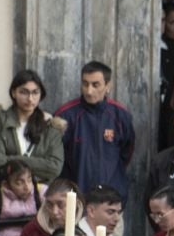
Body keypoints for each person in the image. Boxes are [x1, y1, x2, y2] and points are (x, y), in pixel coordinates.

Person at [56, 61, 137, 197]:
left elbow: (127, 152)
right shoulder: (65, 115)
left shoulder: (120, 115)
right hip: (74, 198)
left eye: (95, 85)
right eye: (85, 84)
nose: (89, 90)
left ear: (108, 85)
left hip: (111, 198)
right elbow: (56, 157)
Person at [0, 70, 67, 184]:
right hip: (4, 190)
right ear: (14, 93)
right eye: (24, 92)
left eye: (35, 92)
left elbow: (54, 168)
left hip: (38, 193)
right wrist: (37, 165)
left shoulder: (51, 126)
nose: (30, 99)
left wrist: (11, 160)